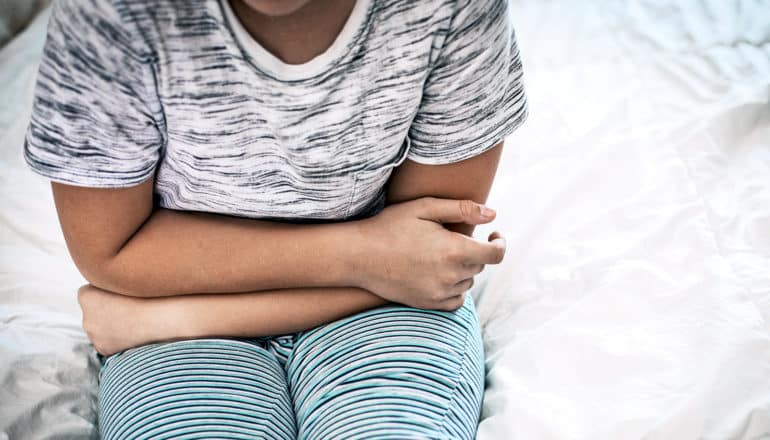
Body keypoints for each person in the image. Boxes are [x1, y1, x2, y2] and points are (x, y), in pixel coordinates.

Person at [23, 0, 528, 438]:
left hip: (215, 305)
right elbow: (410, 267)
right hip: (227, 314)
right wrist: (365, 256)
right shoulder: (115, 14)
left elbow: (427, 256)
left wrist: (169, 318)